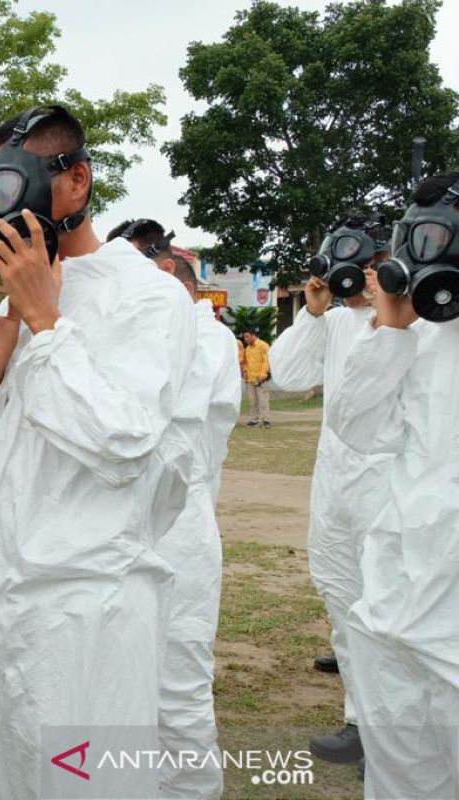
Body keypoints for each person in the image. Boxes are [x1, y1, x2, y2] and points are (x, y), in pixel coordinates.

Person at [0, 105, 195, 799]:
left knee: (92, 785)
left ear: (75, 181)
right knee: (7, 781)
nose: (1, 204)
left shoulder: (149, 296)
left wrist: (45, 326)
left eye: (14, 182)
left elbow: (126, 439)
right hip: (8, 597)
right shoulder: (22, 299)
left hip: (93, 606)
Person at [326, 174, 459, 797]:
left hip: (449, 621)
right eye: (422, 239)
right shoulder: (421, 337)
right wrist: (394, 327)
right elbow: (356, 424)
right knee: (401, 777)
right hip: (395, 605)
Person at [110, 220, 240, 797]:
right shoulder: (155, 334)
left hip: (179, 534)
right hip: (129, 532)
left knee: (178, 687)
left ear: (164, 274)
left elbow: (144, 435)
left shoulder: (203, 338)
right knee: (123, 688)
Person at [269, 211, 391, 764]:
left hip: (393, 493)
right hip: (336, 487)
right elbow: (289, 378)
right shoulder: (337, 321)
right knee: (343, 599)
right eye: (352, 265)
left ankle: (399, 740)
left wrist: (388, 303)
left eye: (370, 264)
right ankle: (359, 721)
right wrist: (313, 315)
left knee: (393, 610)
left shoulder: (421, 320)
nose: (357, 277)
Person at [240, 329, 271, 427]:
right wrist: (244, 371)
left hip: (261, 379)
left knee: (263, 400)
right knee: (252, 401)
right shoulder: (247, 349)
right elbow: (245, 362)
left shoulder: (263, 346)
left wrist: (263, 375)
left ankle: (266, 420)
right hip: (250, 379)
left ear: (254, 336)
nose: (246, 339)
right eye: (245, 337)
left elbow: (267, 361)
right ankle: (254, 419)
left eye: (247, 336)